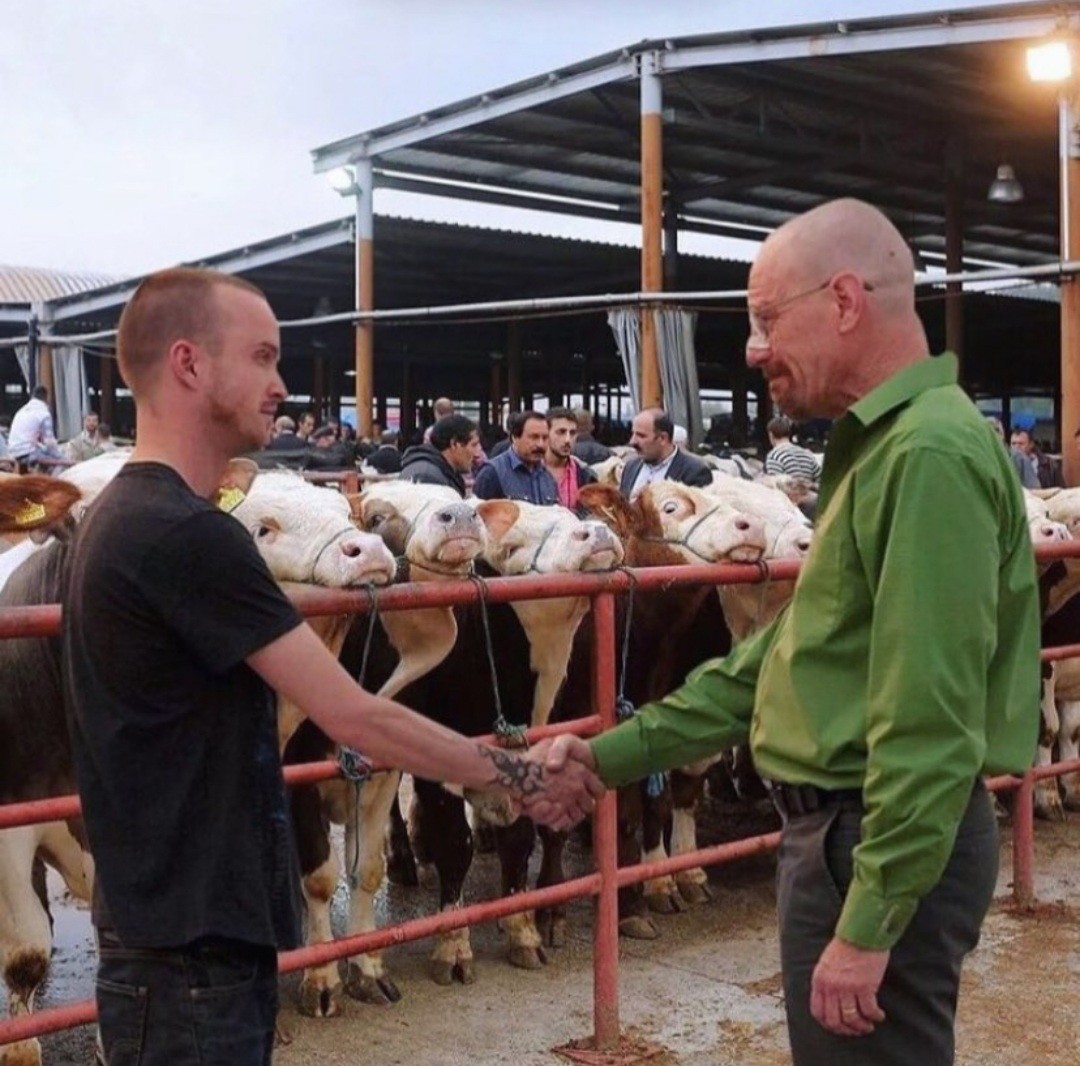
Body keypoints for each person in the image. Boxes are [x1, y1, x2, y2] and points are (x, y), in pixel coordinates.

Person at [60, 267, 601, 1066]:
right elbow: (354, 716)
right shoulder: (188, 536)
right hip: (193, 951)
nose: (282, 385)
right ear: (189, 364)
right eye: (262, 357)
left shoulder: (122, 518)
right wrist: (518, 776)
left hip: (159, 929)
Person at [542, 199, 1040, 1065]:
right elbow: (780, 657)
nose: (752, 349)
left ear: (844, 300)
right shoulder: (886, 447)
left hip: (870, 837)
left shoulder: (927, 454)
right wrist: (610, 755)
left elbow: (930, 714)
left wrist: (872, 919)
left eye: (767, 319)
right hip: (850, 835)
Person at [618, 408, 712, 499]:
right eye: (633, 434)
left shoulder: (694, 472)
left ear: (663, 438)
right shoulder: (630, 467)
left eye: (641, 436)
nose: (632, 441)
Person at [472, 409, 559, 505]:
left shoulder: (547, 476)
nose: (540, 444)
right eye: (534, 437)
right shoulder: (492, 473)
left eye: (545, 438)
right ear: (514, 437)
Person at [400, 414, 481, 496]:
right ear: (454, 444)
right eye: (474, 445)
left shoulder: (434, 473)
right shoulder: (427, 478)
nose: (477, 454)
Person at [544, 406, 596, 510]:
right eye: (561, 432)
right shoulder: (528, 471)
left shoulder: (585, 475)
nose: (567, 440)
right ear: (546, 433)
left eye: (572, 433)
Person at [7, 386, 62, 469]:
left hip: (12, 453)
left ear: (32, 396)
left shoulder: (21, 411)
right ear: (47, 398)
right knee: (62, 462)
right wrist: (61, 456)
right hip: (28, 453)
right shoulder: (43, 413)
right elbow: (49, 441)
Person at [764, 415, 821, 483]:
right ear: (789, 434)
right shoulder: (806, 454)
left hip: (788, 490)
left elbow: (776, 484)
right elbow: (819, 479)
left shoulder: (774, 456)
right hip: (809, 489)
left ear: (771, 435)